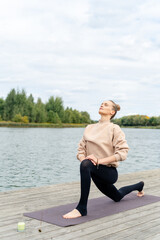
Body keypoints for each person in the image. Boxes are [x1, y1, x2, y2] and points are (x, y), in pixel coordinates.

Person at [63, 100, 144, 219]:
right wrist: (87, 160)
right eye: (101, 103)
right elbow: (80, 151)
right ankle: (139, 185)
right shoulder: (89, 128)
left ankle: (81, 208)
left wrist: (98, 161)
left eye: (106, 104)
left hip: (109, 172)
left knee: (86, 164)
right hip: (93, 169)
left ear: (112, 112)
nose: (102, 105)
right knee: (117, 196)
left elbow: (123, 153)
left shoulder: (114, 129)